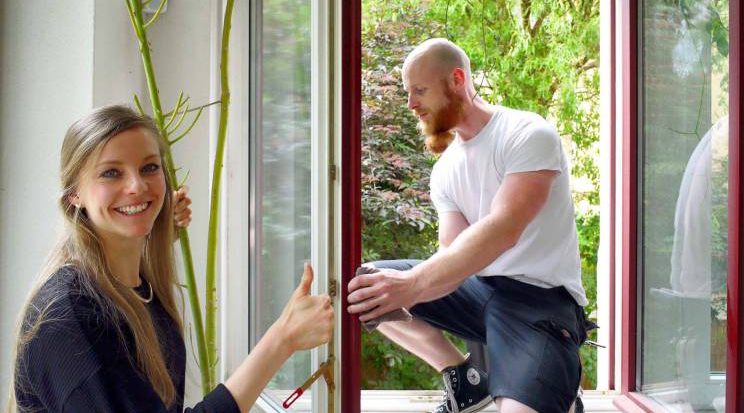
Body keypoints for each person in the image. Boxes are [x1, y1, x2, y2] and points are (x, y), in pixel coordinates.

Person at [10, 105, 334, 412]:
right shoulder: (71, 317)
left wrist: (162, 224)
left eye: (149, 167)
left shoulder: (132, 287)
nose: (137, 186)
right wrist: (281, 339)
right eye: (111, 173)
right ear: (74, 194)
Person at [347, 39, 589, 413]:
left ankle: (555, 384)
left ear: (457, 79)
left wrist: (412, 285)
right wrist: (399, 292)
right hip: (478, 291)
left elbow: (504, 229)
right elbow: (452, 256)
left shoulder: (527, 134)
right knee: (364, 286)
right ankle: (465, 379)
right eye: (408, 92)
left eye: (420, 90)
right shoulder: (445, 170)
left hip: (540, 301)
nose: (411, 103)